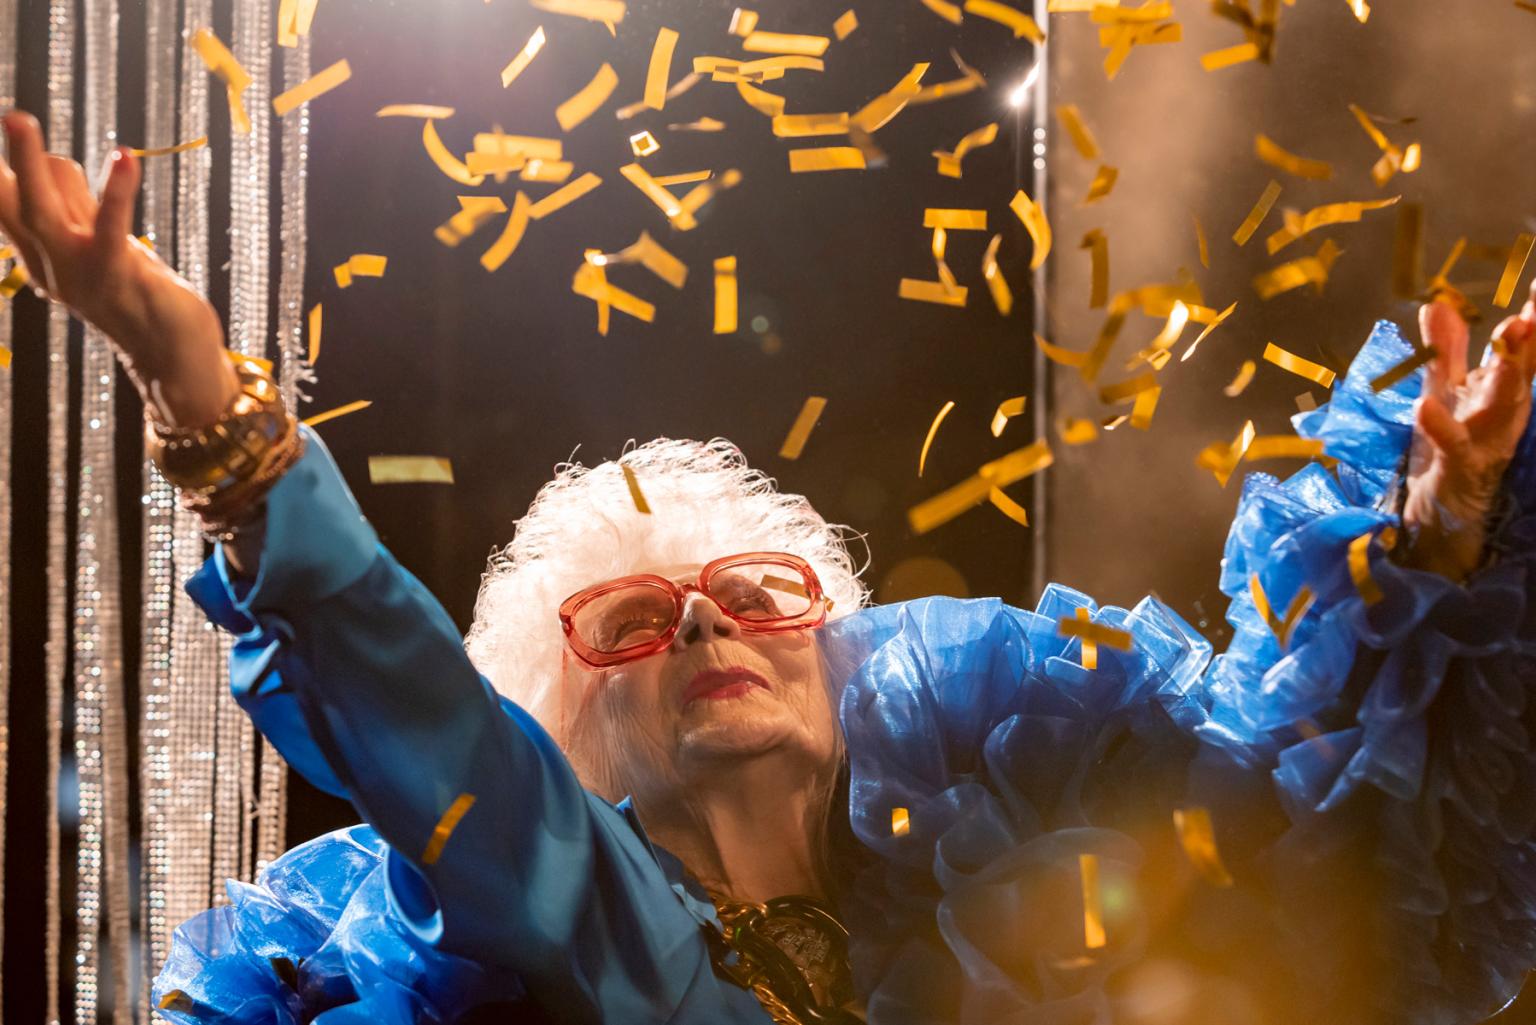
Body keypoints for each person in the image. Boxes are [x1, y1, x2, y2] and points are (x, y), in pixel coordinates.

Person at [3, 110, 1536, 1025]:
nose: (708, 627)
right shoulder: (578, 919)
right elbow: (445, 744)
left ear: (835, 646)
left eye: (755, 592)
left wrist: (1437, 530)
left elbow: (1308, 823)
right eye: (634, 620)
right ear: (569, 721)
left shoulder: (1015, 904)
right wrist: (197, 390)